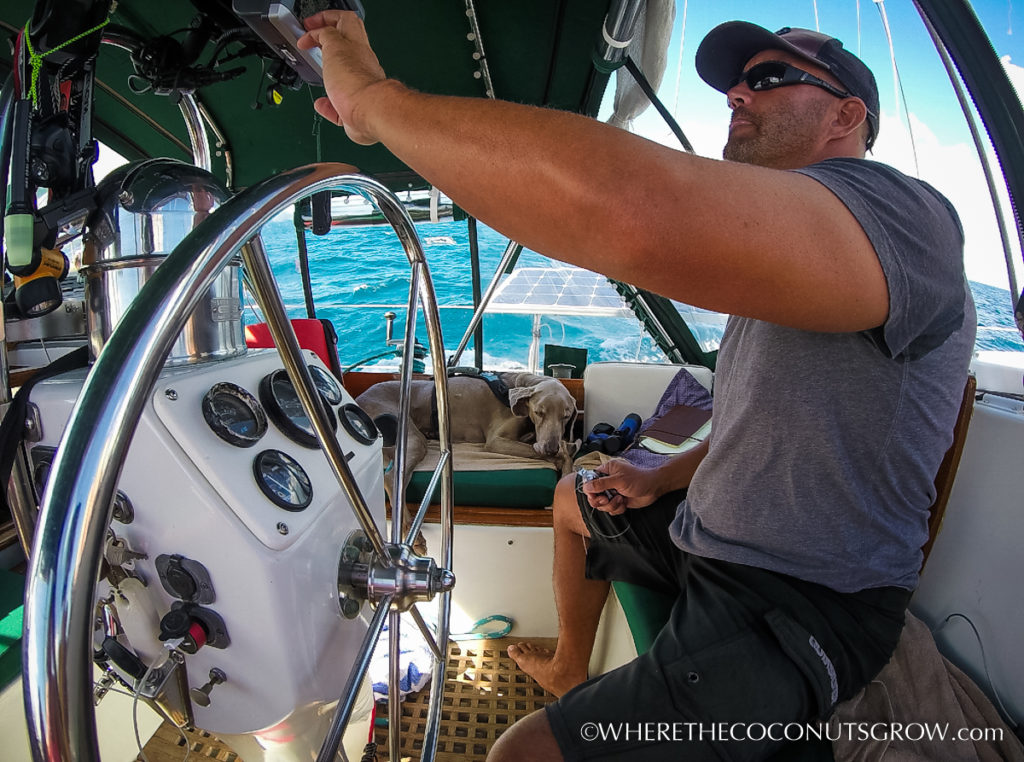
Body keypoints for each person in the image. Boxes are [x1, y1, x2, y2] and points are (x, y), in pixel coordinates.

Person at [299, 15, 976, 761]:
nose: (737, 95)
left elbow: (630, 213)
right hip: (708, 534)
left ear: (849, 116)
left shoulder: (908, 218)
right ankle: (566, 668)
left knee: (518, 755)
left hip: (801, 597)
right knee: (571, 497)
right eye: (735, 83)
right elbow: (756, 411)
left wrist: (373, 101)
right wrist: (662, 473)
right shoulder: (794, 268)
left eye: (771, 79)